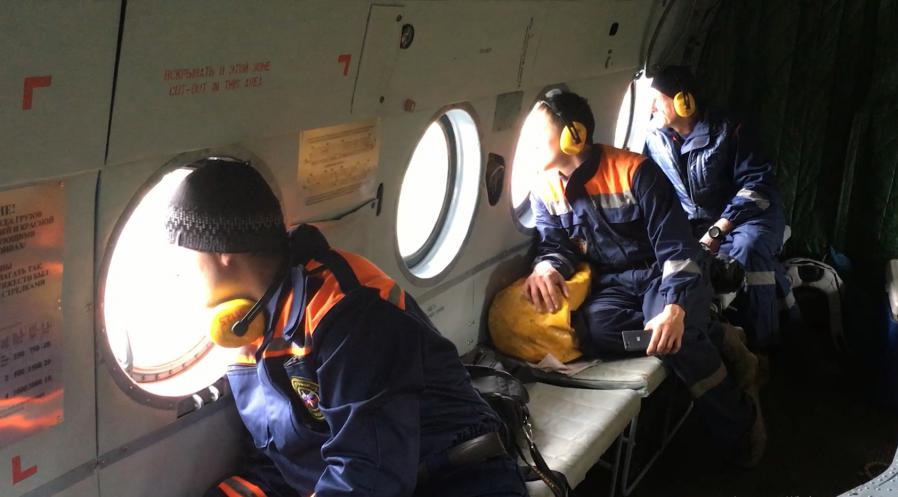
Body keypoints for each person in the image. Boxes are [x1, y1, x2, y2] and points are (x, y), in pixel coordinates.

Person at [165, 158, 526, 497]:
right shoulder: (246, 329)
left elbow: (370, 474)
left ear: (222, 252)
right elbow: (284, 462)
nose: (179, 275)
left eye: (183, 259)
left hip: (458, 476)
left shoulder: (349, 312)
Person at [522, 90, 765, 465]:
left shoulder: (635, 172)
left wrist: (675, 308)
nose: (531, 145)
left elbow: (677, 250)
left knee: (675, 339)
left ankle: (740, 423)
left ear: (574, 135)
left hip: (665, 272)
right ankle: (717, 334)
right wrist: (546, 265)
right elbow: (556, 245)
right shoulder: (543, 188)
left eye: (540, 135)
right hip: (614, 282)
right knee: (596, 333)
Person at [643, 65, 795, 348]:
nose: (650, 107)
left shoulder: (730, 129)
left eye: (656, 99)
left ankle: (765, 344)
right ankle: (718, 336)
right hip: (697, 222)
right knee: (674, 259)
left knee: (748, 250)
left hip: (752, 216)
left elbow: (758, 186)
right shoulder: (653, 138)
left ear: (684, 101)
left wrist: (717, 231)